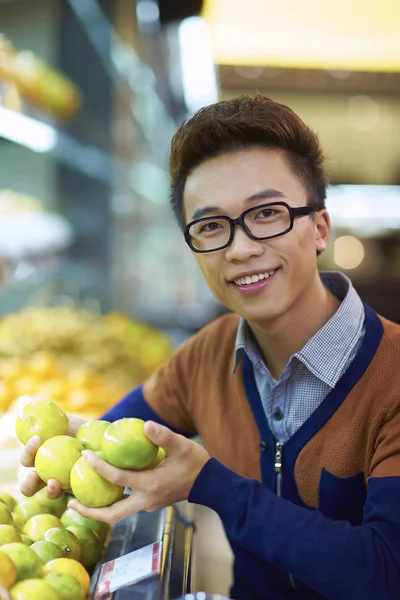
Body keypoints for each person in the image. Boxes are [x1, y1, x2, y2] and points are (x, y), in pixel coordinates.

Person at [20, 95, 400, 600]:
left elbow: (387, 572)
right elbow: (115, 433)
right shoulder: (210, 354)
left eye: (267, 213)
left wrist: (210, 484)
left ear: (320, 228)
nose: (240, 248)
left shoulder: (391, 375)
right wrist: (68, 458)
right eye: (211, 226)